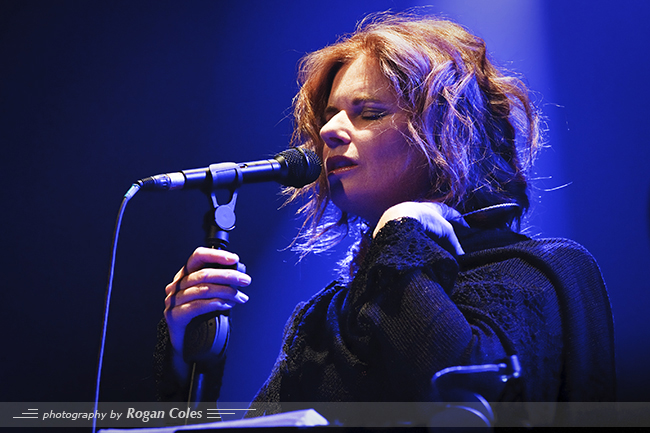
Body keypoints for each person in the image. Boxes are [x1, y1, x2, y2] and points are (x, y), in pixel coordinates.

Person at [155, 13, 615, 426]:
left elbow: (463, 401)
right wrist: (184, 355)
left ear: (449, 131)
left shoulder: (543, 273)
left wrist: (401, 232)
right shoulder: (326, 317)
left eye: (369, 113)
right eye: (330, 115)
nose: (330, 131)